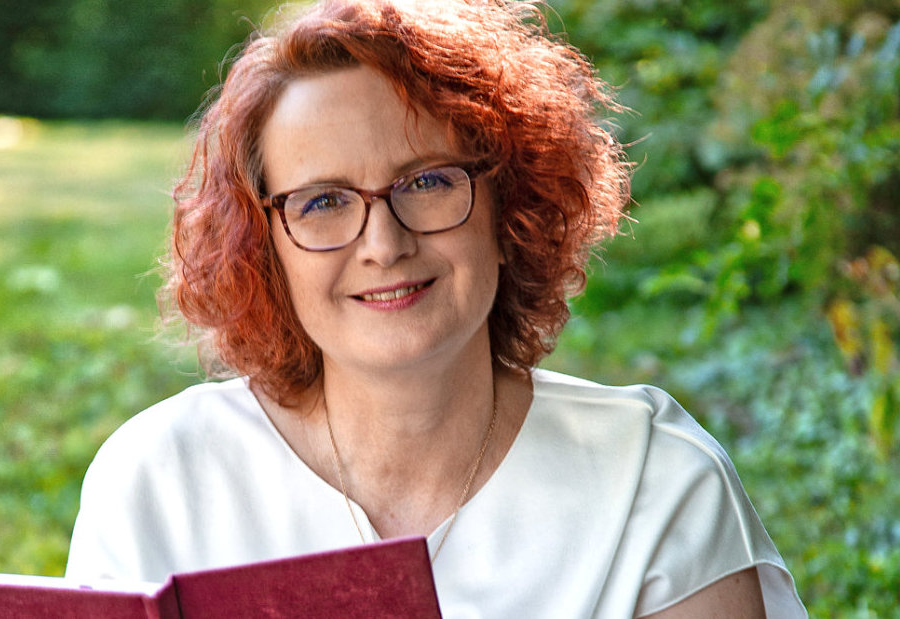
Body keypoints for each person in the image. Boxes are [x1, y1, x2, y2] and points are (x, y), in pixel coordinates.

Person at [65, 0, 806, 616]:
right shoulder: (160, 479)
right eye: (322, 201)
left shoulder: (655, 482)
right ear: (264, 248)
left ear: (510, 209)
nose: (383, 244)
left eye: (427, 182)